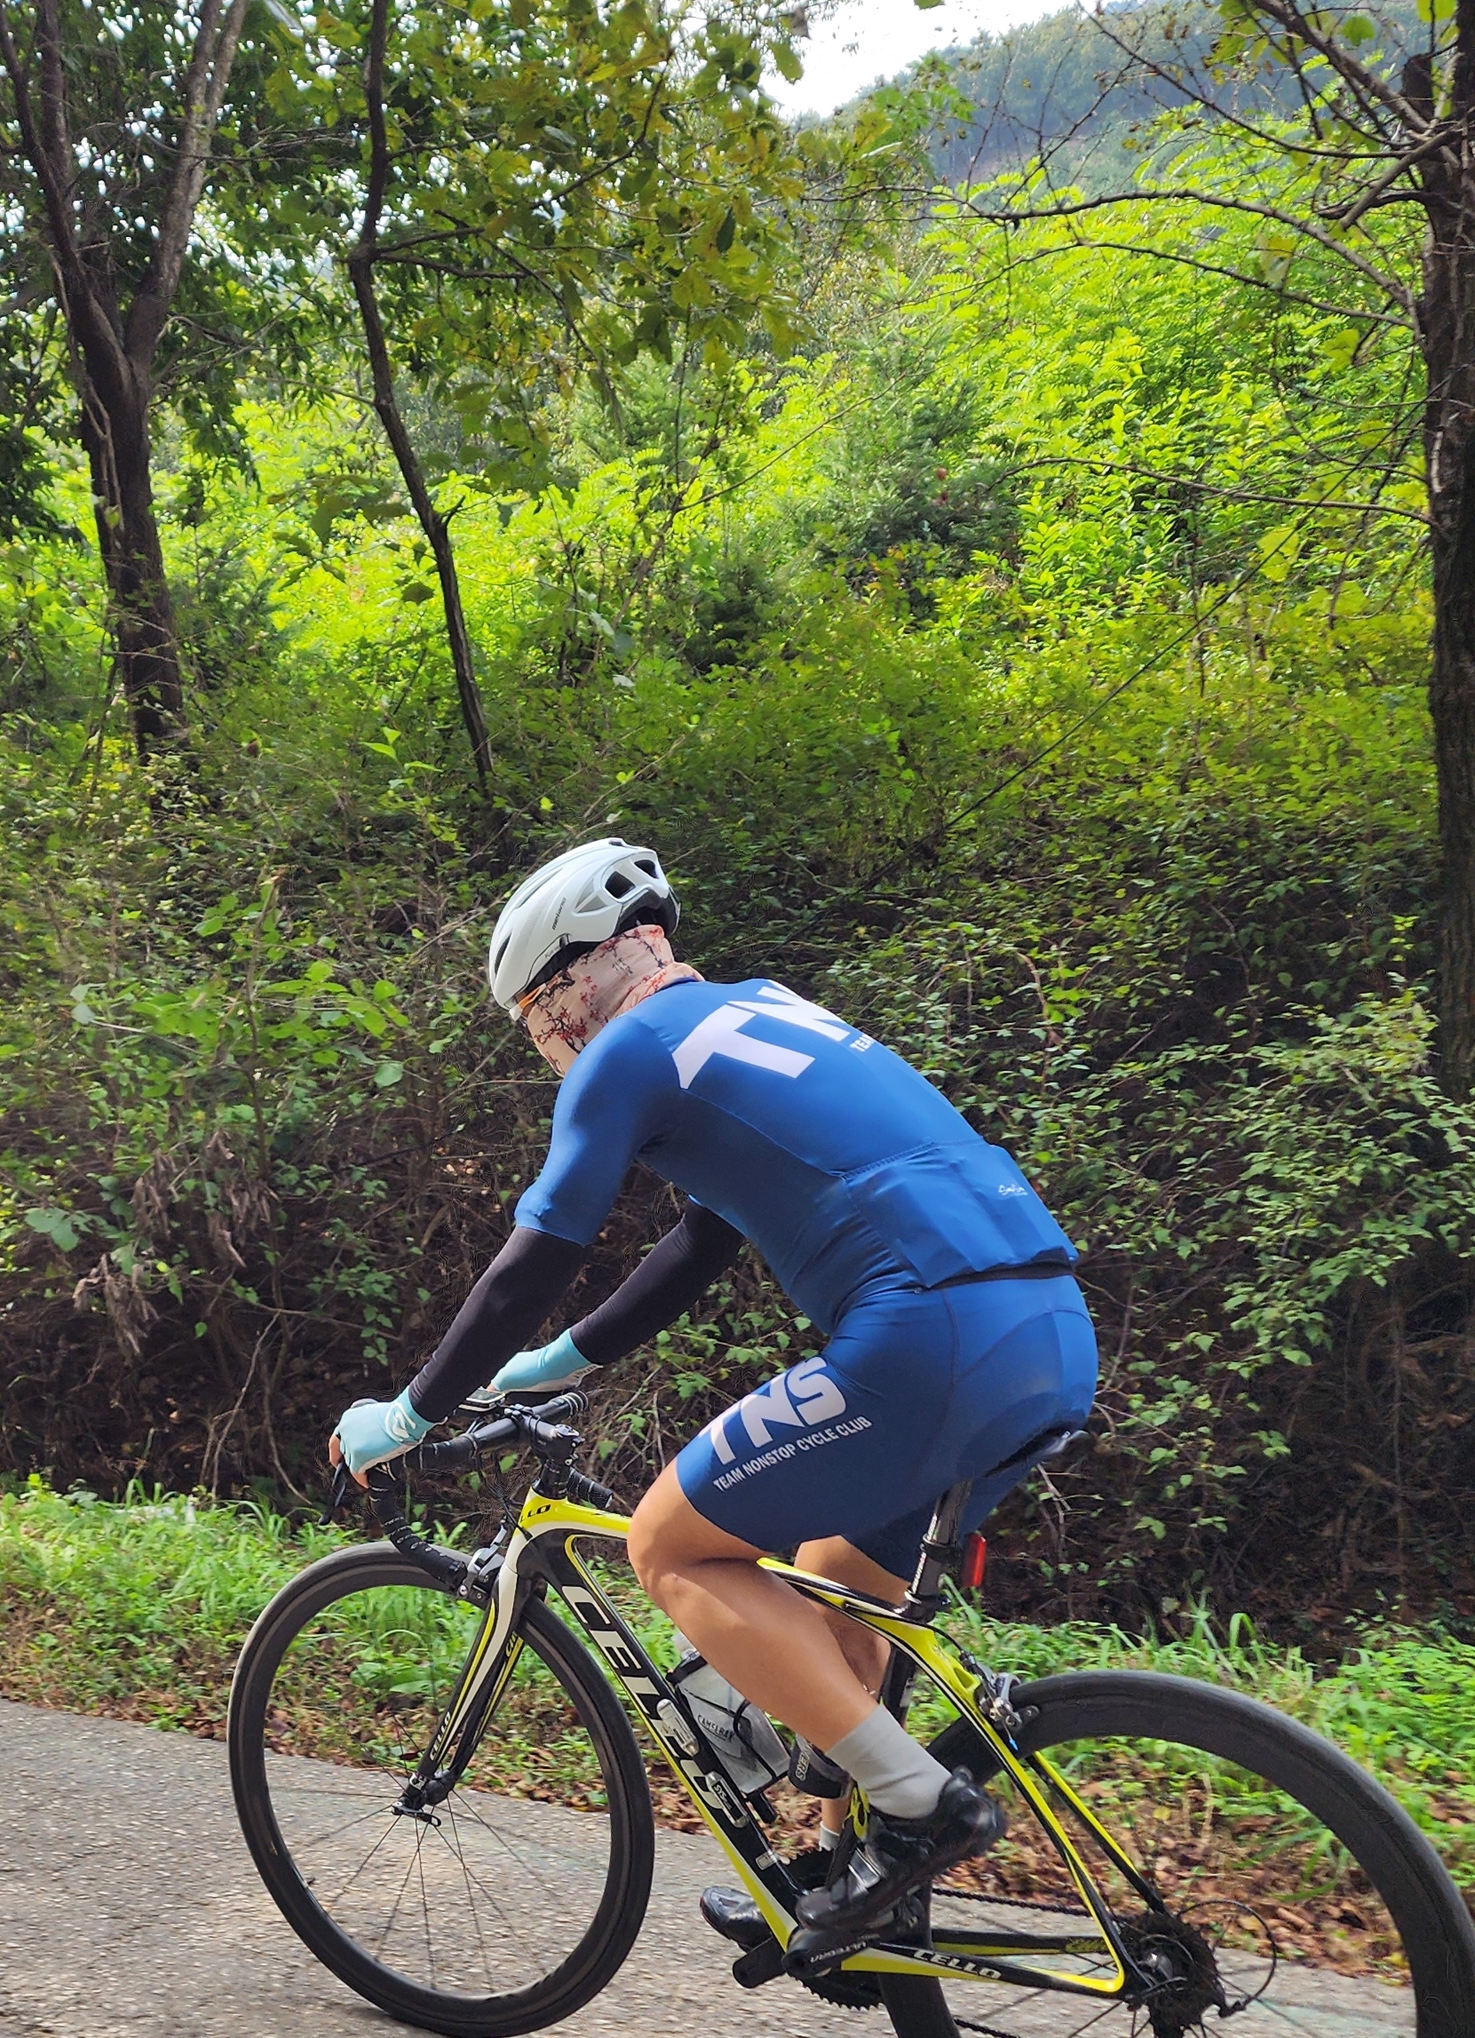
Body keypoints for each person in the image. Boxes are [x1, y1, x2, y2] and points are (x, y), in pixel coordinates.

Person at [328, 838, 1097, 1972]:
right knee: (836, 1587)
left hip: (926, 1335)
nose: (548, 1045)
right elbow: (702, 1240)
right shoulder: (763, 1010)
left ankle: (922, 1804)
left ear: (576, 978)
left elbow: (534, 1258)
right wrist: (559, 1360)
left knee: (669, 1545)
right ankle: (850, 1874)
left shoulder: (626, 1049)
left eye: (536, 1019)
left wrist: (408, 1413)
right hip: (1046, 1326)